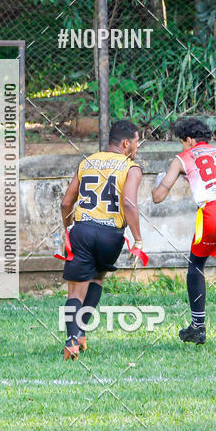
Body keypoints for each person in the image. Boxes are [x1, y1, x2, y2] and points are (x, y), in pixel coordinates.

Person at [152, 117, 216, 357]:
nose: (182, 147)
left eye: (182, 143)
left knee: (196, 264)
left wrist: (157, 183)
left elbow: (158, 196)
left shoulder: (184, 157)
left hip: (214, 213)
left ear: (188, 140)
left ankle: (198, 326)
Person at [59, 119, 144, 360]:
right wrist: (138, 239)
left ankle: (72, 340)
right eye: (137, 142)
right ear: (126, 143)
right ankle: (82, 332)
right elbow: (128, 203)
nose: (137, 148)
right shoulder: (131, 167)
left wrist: (68, 229)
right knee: (96, 279)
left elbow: (67, 202)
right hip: (111, 236)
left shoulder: (86, 162)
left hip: (83, 230)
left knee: (75, 292)